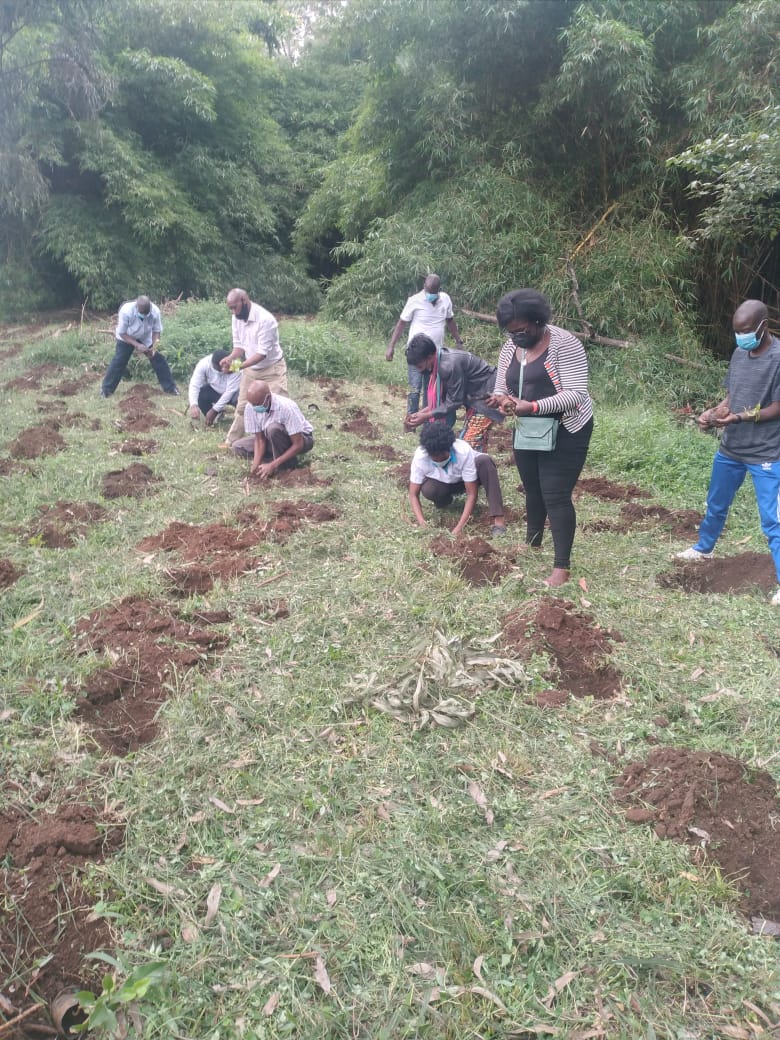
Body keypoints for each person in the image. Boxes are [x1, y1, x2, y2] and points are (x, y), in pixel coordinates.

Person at [675, 298, 780, 606]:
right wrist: (715, 413)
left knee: (773, 519)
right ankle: (704, 548)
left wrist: (739, 417)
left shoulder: (778, 357)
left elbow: (778, 406)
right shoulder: (739, 352)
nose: (741, 337)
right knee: (716, 503)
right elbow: (733, 394)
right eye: (737, 332)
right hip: (731, 448)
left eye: (746, 331)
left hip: (766, 453)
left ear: (763, 326)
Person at [488, 288, 593, 588]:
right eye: (510, 333)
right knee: (532, 487)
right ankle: (533, 542)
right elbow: (501, 385)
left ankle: (562, 567)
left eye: (520, 331)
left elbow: (576, 395)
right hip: (529, 428)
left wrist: (532, 406)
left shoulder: (566, 345)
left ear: (537, 321)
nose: (515, 337)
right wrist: (502, 400)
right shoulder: (511, 347)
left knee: (555, 494)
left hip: (568, 427)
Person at [404, 333, 504, 449]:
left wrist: (425, 416)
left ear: (430, 357)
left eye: (420, 366)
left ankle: (478, 465)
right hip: (475, 398)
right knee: (471, 442)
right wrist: (421, 414)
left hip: (487, 397)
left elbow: (454, 401)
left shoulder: (448, 366)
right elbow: (445, 399)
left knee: (469, 444)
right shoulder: (439, 359)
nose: (418, 369)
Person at [409, 421, 507, 537]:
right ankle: (444, 501)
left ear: (449, 448)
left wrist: (459, 527)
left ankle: (499, 521)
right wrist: (422, 523)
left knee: (485, 462)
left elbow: (471, 494)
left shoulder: (463, 451)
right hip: (443, 483)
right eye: (435, 457)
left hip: (467, 481)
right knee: (429, 489)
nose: (439, 460)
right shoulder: (421, 457)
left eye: (442, 456)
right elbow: (413, 494)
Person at [386, 274, 464, 415]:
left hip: (433, 355)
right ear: (424, 288)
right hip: (416, 353)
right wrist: (391, 346)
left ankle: (427, 420)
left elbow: (450, 321)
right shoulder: (414, 300)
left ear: (439, 290)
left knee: (431, 390)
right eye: (428, 291)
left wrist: (459, 341)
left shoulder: (445, 299)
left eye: (433, 292)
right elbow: (401, 323)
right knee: (415, 389)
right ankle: (411, 421)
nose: (430, 295)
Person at [220, 288, 288, 446]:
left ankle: (282, 442)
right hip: (251, 369)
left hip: (272, 369)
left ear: (244, 301)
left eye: (234, 307)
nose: (233, 312)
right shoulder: (236, 318)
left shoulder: (266, 320)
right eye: (230, 308)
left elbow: (261, 354)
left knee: (278, 406)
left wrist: (236, 367)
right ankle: (232, 441)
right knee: (243, 406)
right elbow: (239, 347)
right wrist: (230, 360)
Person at [232, 380, 314, 480]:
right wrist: (255, 467)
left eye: (257, 404)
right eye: (252, 404)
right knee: (238, 447)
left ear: (268, 397)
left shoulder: (287, 407)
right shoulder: (251, 407)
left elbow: (298, 444)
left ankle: (284, 467)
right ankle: (277, 460)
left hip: (301, 439)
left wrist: (272, 465)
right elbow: (260, 440)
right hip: (271, 439)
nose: (254, 407)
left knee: (273, 429)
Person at [100, 295, 179, 398]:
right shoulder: (126, 310)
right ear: (137, 307)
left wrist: (154, 348)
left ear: (150, 308)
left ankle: (171, 388)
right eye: (141, 313)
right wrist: (137, 345)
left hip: (145, 336)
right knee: (119, 361)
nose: (144, 316)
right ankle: (106, 390)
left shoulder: (155, 311)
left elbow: (156, 331)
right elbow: (122, 333)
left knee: (158, 360)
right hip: (127, 336)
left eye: (146, 314)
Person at [187, 350, 241, 426]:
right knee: (202, 393)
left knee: (241, 398)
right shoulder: (204, 364)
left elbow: (230, 391)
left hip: (234, 394)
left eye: (226, 366)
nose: (224, 369)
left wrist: (214, 410)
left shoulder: (235, 364)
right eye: (221, 366)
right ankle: (217, 416)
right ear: (213, 364)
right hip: (215, 391)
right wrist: (193, 405)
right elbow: (194, 384)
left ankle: (241, 418)